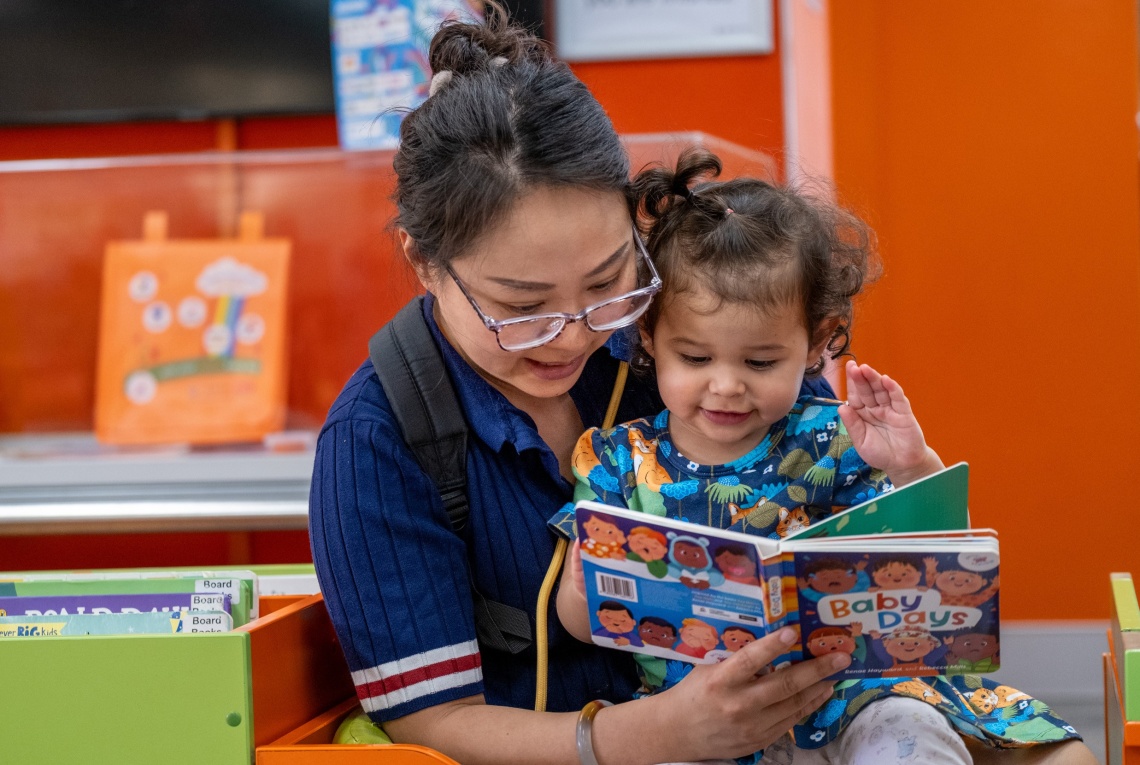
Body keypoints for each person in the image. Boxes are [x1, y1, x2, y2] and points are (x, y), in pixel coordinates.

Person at [308, 7, 854, 765]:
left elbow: (832, 475)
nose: (573, 333)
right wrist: (657, 732)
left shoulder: (674, 339)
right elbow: (433, 719)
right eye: (522, 308)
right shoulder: (380, 439)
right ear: (427, 263)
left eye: (607, 282)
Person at [552, 148, 1095, 764]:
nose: (727, 385)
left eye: (761, 362)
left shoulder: (834, 440)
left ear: (814, 346)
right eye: (695, 358)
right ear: (649, 338)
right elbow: (582, 623)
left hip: (854, 697)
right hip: (700, 719)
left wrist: (910, 467)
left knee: (908, 734)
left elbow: (940, 570)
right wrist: (584, 583)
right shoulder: (617, 461)